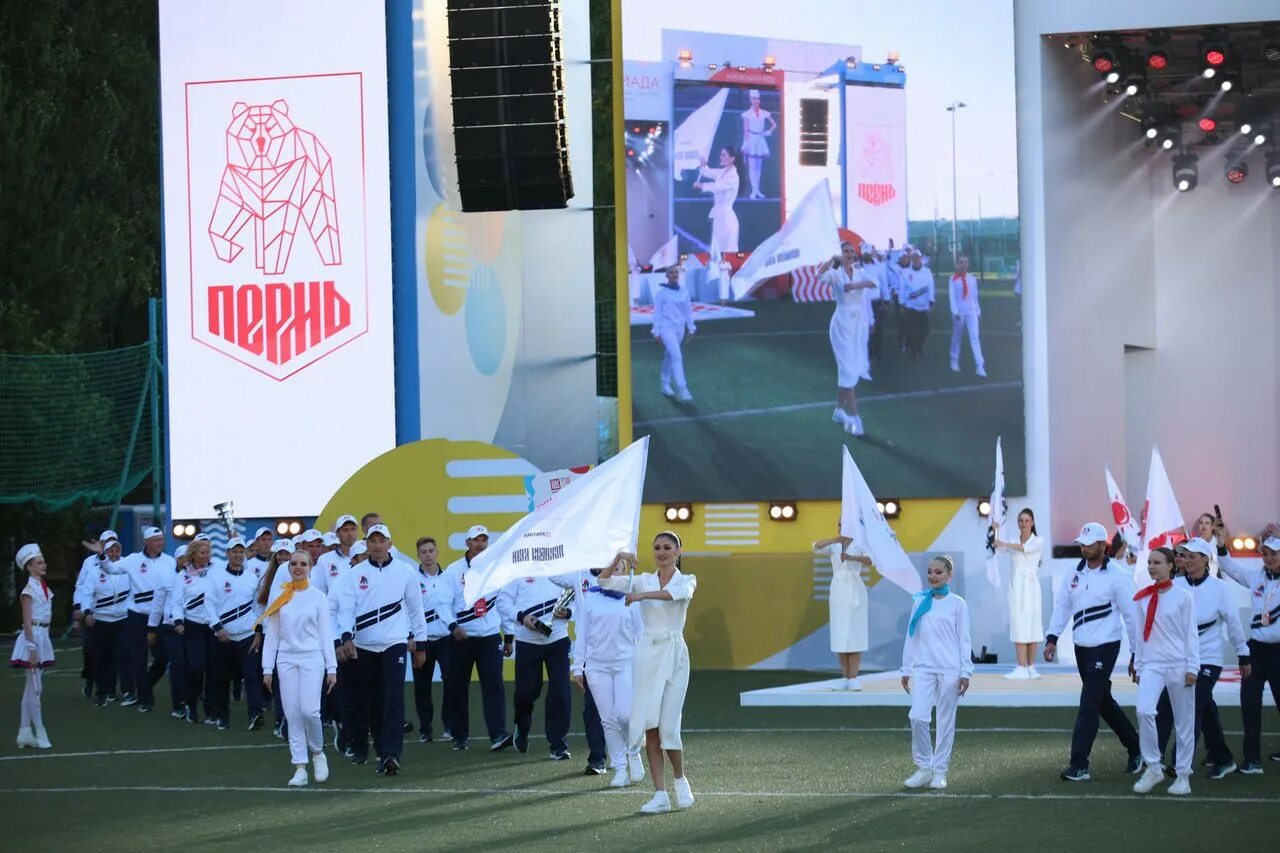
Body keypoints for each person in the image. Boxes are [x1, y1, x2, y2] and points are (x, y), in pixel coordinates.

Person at [597, 533, 698, 815]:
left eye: (667, 548)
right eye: (657, 548)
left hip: (674, 655)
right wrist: (619, 557)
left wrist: (639, 595)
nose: (662, 552)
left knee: (668, 727)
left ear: (679, 550)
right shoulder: (641, 578)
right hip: (647, 657)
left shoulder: (686, 579)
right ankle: (660, 794)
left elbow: (673, 596)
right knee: (650, 727)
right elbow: (603, 581)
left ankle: (680, 780)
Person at [1045, 522, 1143, 781]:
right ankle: (1136, 747)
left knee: (1089, 703)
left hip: (1107, 646)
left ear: (1103, 545)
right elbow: (1062, 607)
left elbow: (1131, 616)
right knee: (1102, 702)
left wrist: (1136, 653)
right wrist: (1052, 638)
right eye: (1082, 544)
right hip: (1082, 647)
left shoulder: (1118, 575)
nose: (1085, 548)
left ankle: (1079, 764)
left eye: (1090, 544)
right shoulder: (1072, 574)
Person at [332, 523, 427, 775]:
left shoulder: (405, 572)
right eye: (372, 540)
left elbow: (417, 610)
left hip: (394, 644)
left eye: (381, 540)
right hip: (363, 645)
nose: (377, 544)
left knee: (394, 699)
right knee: (371, 701)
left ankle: (391, 754)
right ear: (367, 543)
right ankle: (374, 748)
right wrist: (345, 637)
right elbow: (346, 608)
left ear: (389, 543)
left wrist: (421, 643)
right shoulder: (355, 573)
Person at [1155, 536, 1249, 779]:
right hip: (1179, 658)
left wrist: (1243, 653)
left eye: (1192, 556)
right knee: (1183, 706)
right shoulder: (1174, 585)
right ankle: (1223, 757)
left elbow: (1234, 623)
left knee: (1192, 705)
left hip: (1208, 658)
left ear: (1206, 559)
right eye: (1184, 555)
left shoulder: (1221, 589)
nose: (1187, 560)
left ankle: (1179, 763)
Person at [260, 548, 336, 787]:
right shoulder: (281, 598)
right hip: (286, 659)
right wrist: (267, 668)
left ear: (310, 567)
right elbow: (272, 635)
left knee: (310, 711)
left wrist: (331, 667)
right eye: (294, 564)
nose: (298, 567)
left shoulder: (318, 597)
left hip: (313, 658)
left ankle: (317, 753)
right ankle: (300, 766)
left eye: (303, 564)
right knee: (292, 714)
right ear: (288, 567)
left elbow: (326, 635)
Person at [900, 556, 973, 790]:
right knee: (917, 716)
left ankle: (940, 771)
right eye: (930, 571)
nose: (933, 576)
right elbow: (912, 637)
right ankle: (924, 767)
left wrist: (966, 672)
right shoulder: (919, 602)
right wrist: (906, 668)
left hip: (950, 670)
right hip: (924, 668)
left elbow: (964, 640)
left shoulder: (958, 604)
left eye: (938, 572)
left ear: (949, 576)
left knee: (945, 721)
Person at [1131, 547, 1199, 796]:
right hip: (1152, 665)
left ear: (1171, 565)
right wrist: (1138, 665)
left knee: (1184, 722)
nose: (1151, 566)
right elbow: (1139, 636)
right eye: (1149, 562)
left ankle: (1183, 776)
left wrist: (1192, 666)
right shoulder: (1142, 598)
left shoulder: (1183, 596)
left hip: (1179, 664)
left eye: (1157, 562)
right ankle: (1153, 766)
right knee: (1144, 710)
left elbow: (1191, 634)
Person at [1214, 520, 1280, 774]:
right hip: (1256, 650)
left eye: (1274, 553)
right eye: (1265, 553)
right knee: (1249, 704)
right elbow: (1229, 566)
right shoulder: (1256, 577)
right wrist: (1221, 545)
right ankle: (1251, 759)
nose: (1269, 558)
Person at [569, 569, 645, 786]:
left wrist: (642, 666)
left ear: (625, 573)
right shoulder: (590, 598)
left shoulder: (632, 599)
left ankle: (634, 752)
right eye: (609, 568)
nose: (613, 573)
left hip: (625, 665)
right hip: (596, 667)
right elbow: (582, 634)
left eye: (619, 569)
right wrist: (577, 667)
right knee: (608, 720)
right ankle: (620, 768)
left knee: (625, 715)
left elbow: (640, 636)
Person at [446, 525, 513, 751]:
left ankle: (498, 735)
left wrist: (509, 636)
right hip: (461, 637)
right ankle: (459, 736)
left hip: (489, 637)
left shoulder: (496, 569)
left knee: (494, 686)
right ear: (467, 543)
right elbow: (441, 602)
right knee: (457, 687)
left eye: (483, 540)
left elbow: (503, 604)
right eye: (475, 540)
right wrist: (453, 626)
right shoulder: (453, 571)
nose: (479, 544)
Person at [499, 573, 574, 760]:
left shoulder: (562, 565)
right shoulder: (518, 568)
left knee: (560, 692)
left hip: (558, 638)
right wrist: (521, 617)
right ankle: (522, 727)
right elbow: (502, 601)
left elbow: (581, 596)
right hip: (527, 641)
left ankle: (558, 744)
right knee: (526, 692)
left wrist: (569, 613)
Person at [204, 537, 266, 731]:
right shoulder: (216, 577)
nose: (238, 555)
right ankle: (222, 715)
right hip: (223, 637)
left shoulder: (251, 578)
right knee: (221, 679)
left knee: (252, 677)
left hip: (247, 636)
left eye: (241, 551)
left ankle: (255, 714)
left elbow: (257, 607)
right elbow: (209, 604)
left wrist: (258, 631)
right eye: (234, 551)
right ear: (227, 554)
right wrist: (217, 628)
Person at [822, 242, 879, 436]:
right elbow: (819, 276)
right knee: (847, 370)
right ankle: (856, 417)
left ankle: (839, 410)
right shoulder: (835, 274)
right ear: (840, 254)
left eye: (850, 252)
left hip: (857, 326)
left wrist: (854, 284)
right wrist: (831, 259)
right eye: (844, 252)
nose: (848, 254)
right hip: (841, 325)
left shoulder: (860, 272)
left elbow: (874, 283)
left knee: (851, 369)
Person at [812, 521, 871, 690]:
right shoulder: (834, 546)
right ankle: (844, 678)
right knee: (840, 633)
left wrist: (851, 557)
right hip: (838, 591)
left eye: (845, 524)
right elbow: (816, 545)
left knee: (855, 634)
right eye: (839, 524)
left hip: (855, 590)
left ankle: (854, 677)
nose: (841, 527)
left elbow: (870, 560)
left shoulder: (860, 544)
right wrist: (836, 539)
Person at [79, 535, 131, 706]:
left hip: (122, 620)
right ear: (105, 552)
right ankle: (101, 693)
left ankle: (117, 691)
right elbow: (86, 593)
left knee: (121, 656)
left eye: (117, 550)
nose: (115, 554)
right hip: (101, 620)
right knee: (102, 658)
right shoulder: (94, 571)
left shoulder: (127, 567)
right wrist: (87, 612)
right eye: (111, 551)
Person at [168, 538, 216, 724]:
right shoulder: (182, 576)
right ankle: (190, 704)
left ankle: (211, 709)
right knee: (196, 667)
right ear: (193, 554)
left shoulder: (216, 570)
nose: (206, 556)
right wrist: (178, 621)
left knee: (213, 669)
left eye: (207, 552)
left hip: (213, 625)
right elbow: (177, 602)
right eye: (202, 552)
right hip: (193, 625)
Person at [993, 508, 1045, 679]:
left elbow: (1024, 548)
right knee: (1019, 625)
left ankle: (1031, 667)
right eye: (1021, 520)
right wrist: (995, 531)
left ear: (1033, 523)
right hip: (1017, 589)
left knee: (1033, 626)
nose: (1024, 524)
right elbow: (997, 548)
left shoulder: (1038, 541)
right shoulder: (1012, 540)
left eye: (1027, 520)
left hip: (1031, 588)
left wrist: (1004, 543)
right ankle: (1021, 667)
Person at [12, 544, 54, 749]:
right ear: (29, 567)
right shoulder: (29, 591)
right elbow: (27, 621)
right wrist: (31, 648)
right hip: (33, 639)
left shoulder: (43, 587)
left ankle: (24, 732)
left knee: (31, 688)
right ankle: (39, 730)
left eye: (43, 561)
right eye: (39, 563)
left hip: (42, 636)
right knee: (35, 689)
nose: (43, 565)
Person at [413, 536, 455, 743]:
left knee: (451, 681)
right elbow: (408, 610)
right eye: (423, 552)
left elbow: (456, 605)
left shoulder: (449, 578)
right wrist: (411, 637)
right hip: (423, 640)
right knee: (422, 686)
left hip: (446, 638)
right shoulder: (412, 579)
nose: (428, 555)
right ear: (418, 555)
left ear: (436, 552)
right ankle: (425, 728)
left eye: (431, 551)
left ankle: (449, 725)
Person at [150, 543, 189, 718]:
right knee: (177, 663)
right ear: (176, 559)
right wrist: (151, 628)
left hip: (192, 626)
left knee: (193, 665)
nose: (185, 561)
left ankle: (191, 700)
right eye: (182, 558)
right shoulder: (166, 578)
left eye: (188, 557)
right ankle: (178, 704)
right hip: (170, 626)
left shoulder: (198, 576)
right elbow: (157, 605)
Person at [651, 265, 696, 403]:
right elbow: (657, 313)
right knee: (677, 356)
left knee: (669, 356)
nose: (674, 274)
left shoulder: (684, 292)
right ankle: (682, 388)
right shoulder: (661, 293)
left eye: (676, 271)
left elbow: (688, 311)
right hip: (666, 328)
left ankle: (664, 384)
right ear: (667, 275)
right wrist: (656, 331)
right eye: (671, 272)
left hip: (679, 329)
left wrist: (691, 328)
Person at [694, 146, 741, 253]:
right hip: (719, 217)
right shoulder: (723, 172)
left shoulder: (733, 176)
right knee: (717, 250)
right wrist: (703, 164)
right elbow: (708, 172)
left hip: (726, 219)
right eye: (721, 155)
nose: (721, 157)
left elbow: (718, 186)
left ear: (732, 159)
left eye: (724, 155)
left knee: (727, 250)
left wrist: (702, 185)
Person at [948, 255, 986, 378]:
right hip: (959, 313)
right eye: (961, 262)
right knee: (957, 337)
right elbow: (952, 298)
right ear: (958, 264)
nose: (963, 264)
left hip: (971, 312)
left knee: (975, 338)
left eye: (965, 262)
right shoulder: (953, 279)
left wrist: (977, 311)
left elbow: (975, 297)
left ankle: (980, 365)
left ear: (968, 264)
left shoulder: (972, 279)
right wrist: (955, 313)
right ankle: (954, 359)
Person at [898, 253, 935, 365]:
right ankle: (912, 355)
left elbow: (931, 287)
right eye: (913, 258)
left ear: (921, 259)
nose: (916, 260)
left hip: (923, 306)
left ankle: (919, 346)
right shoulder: (906, 272)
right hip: (911, 306)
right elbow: (902, 289)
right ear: (911, 260)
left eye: (918, 257)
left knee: (925, 330)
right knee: (913, 332)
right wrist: (901, 304)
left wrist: (931, 301)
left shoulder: (927, 271)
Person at [739, 89, 776, 199]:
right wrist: (745, 143)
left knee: (758, 167)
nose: (756, 101)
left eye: (758, 98)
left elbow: (774, 124)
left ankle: (757, 190)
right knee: (752, 166)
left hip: (760, 140)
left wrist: (767, 132)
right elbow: (745, 130)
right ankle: (754, 191)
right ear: (750, 100)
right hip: (751, 140)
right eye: (754, 98)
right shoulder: (747, 114)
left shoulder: (764, 112)